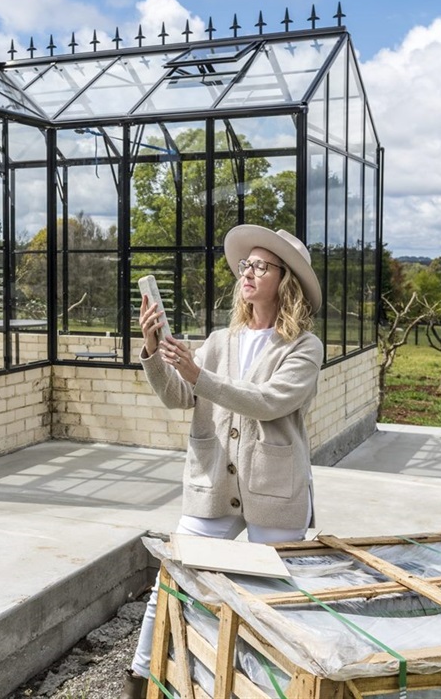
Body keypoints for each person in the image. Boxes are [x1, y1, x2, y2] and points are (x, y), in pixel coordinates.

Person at [123, 224, 324, 699]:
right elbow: (178, 395)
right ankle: (138, 682)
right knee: (169, 583)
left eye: (260, 266)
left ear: (285, 278)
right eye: (246, 265)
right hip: (212, 483)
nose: (247, 273)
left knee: (273, 602)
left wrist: (199, 375)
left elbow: (268, 401)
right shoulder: (219, 340)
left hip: (274, 489)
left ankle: (265, 688)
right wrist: (153, 350)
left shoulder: (304, 347)